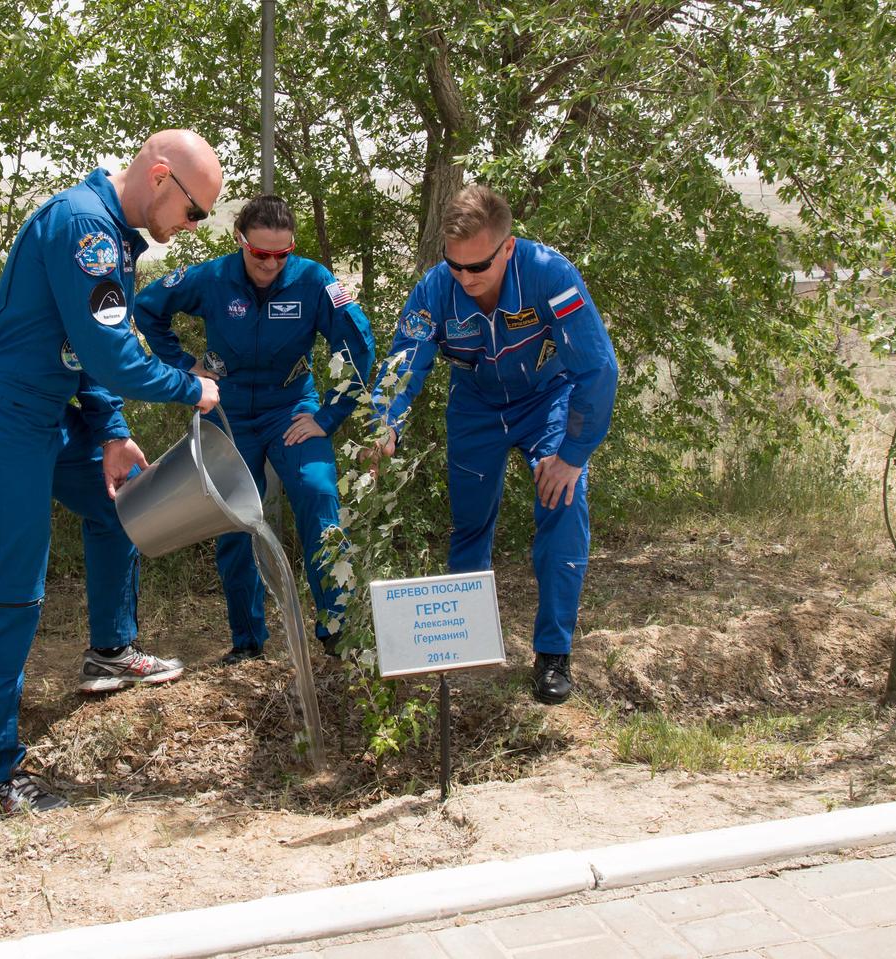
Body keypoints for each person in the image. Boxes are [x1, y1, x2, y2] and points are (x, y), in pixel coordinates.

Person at [0, 130, 224, 815]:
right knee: (11, 587)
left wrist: (112, 432)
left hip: (50, 413)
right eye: (195, 212)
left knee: (120, 507)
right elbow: (109, 355)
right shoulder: (86, 229)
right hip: (5, 421)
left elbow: (81, 348)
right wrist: (193, 388)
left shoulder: (115, 236)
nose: (192, 229)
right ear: (161, 176)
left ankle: (110, 650)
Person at [370, 184, 617, 705]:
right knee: (471, 521)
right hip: (475, 407)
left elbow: (597, 367)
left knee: (563, 506)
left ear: (507, 247)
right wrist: (384, 423)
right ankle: (467, 646)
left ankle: (552, 653)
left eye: (477, 266)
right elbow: (403, 362)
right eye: (454, 265)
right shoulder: (435, 289)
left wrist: (572, 456)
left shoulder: (550, 274)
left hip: (548, 400)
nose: (465, 278)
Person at [134, 195, 375, 665]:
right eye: (259, 253)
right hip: (228, 411)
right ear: (240, 241)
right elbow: (147, 307)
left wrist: (328, 416)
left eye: (280, 254)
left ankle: (336, 627)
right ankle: (247, 641)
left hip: (291, 408)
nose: (269, 264)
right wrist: (186, 367)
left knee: (318, 492)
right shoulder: (211, 277)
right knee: (233, 520)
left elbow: (358, 345)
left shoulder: (315, 281)